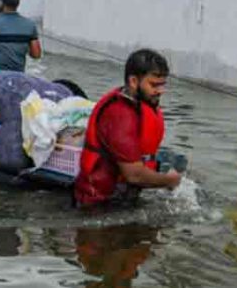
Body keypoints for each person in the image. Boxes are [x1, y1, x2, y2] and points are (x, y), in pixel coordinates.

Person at [74, 49, 182, 207]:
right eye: (154, 85)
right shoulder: (120, 115)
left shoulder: (137, 105)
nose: (160, 91)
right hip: (98, 204)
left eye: (162, 85)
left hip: (121, 196)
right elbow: (134, 175)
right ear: (133, 81)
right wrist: (170, 181)